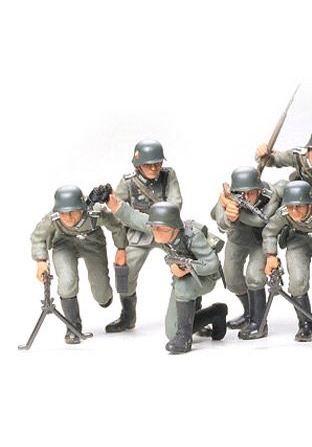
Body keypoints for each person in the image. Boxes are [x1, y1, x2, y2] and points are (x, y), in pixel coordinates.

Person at [106, 194, 227, 354]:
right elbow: (135, 218)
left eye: (162, 229)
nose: (156, 232)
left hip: (205, 278)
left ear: (175, 227)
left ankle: (184, 338)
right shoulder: (158, 227)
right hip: (185, 275)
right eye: (154, 227)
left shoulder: (192, 237)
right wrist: (114, 205)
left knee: (182, 286)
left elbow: (212, 264)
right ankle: (216, 313)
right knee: (171, 331)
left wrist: (184, 267)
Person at [30, 185, 127, 344]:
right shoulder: (53, 217)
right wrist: (41, 261)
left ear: (82, 208)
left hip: (92, 241)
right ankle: (73, 326)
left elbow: (117, 227)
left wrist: (121, 248)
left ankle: (104, 298)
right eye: (63, 213)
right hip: (64, 243)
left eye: (73, 212)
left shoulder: (96, 213)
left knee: (102, 293)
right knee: (66, 282)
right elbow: (37, 236)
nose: (68, 217)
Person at [105, 139, 183, 334]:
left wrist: (159, 223)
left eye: (158, 163)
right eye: (149, 165)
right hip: (138, 236)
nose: (154, 168)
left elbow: (176, 203)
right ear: (138, 165)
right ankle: (128, 316)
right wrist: (121, 247)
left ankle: (191, 313)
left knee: (187, 267)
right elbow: (118, 213)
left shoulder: (169, 176)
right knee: (125, 274)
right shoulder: (128, 182)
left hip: (167, 232)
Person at [211, 166, 281, 340]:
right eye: (241, 193)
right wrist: (228, 215)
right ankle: (249, 313)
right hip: (237, 239)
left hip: (260, 241)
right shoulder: (228, 196)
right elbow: (220, 222)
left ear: (259, 189)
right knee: (232, 279)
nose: (246, 197)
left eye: (251, 192)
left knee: (255, 277)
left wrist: (238, 214)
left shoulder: (270, 195)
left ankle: (259, 323)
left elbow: (261, 220)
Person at [262, 181, 312, 341]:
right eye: (291, 206)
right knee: (297, 281)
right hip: (298, 240)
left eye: (299, 206)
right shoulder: (284, 212)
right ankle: (305, 324)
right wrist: (270, 255)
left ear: (309, 204)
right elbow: (269, 231)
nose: (294, 211)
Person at [255, 129, 312, 197]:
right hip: (298, 193)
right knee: (281, 187)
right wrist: (262, 154)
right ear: (308, 149)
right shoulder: (298, 156)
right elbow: (272, 161)